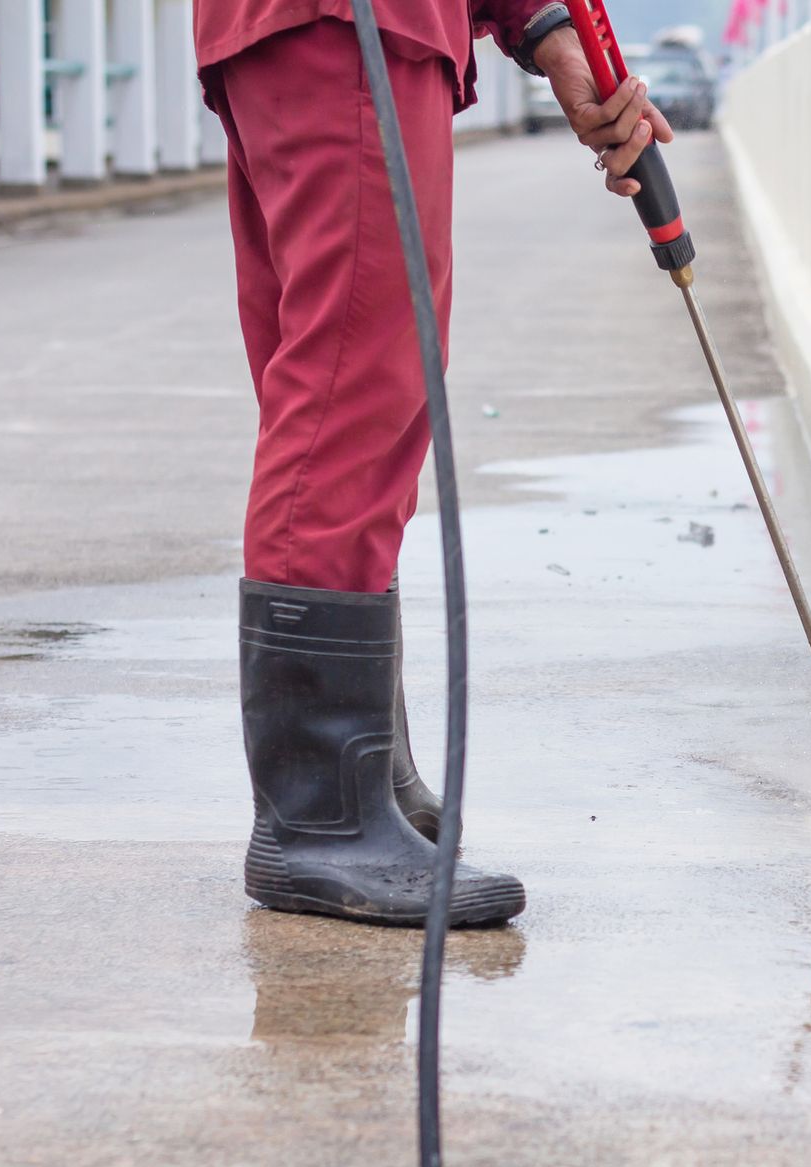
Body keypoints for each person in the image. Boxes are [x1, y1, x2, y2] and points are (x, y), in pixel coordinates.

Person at [195, 0, 672, 927]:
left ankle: (360, 769)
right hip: (348, 21)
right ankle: (318, 819)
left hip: (340, 25)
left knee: (350, 375)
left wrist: (543, 28)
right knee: (356, 375)